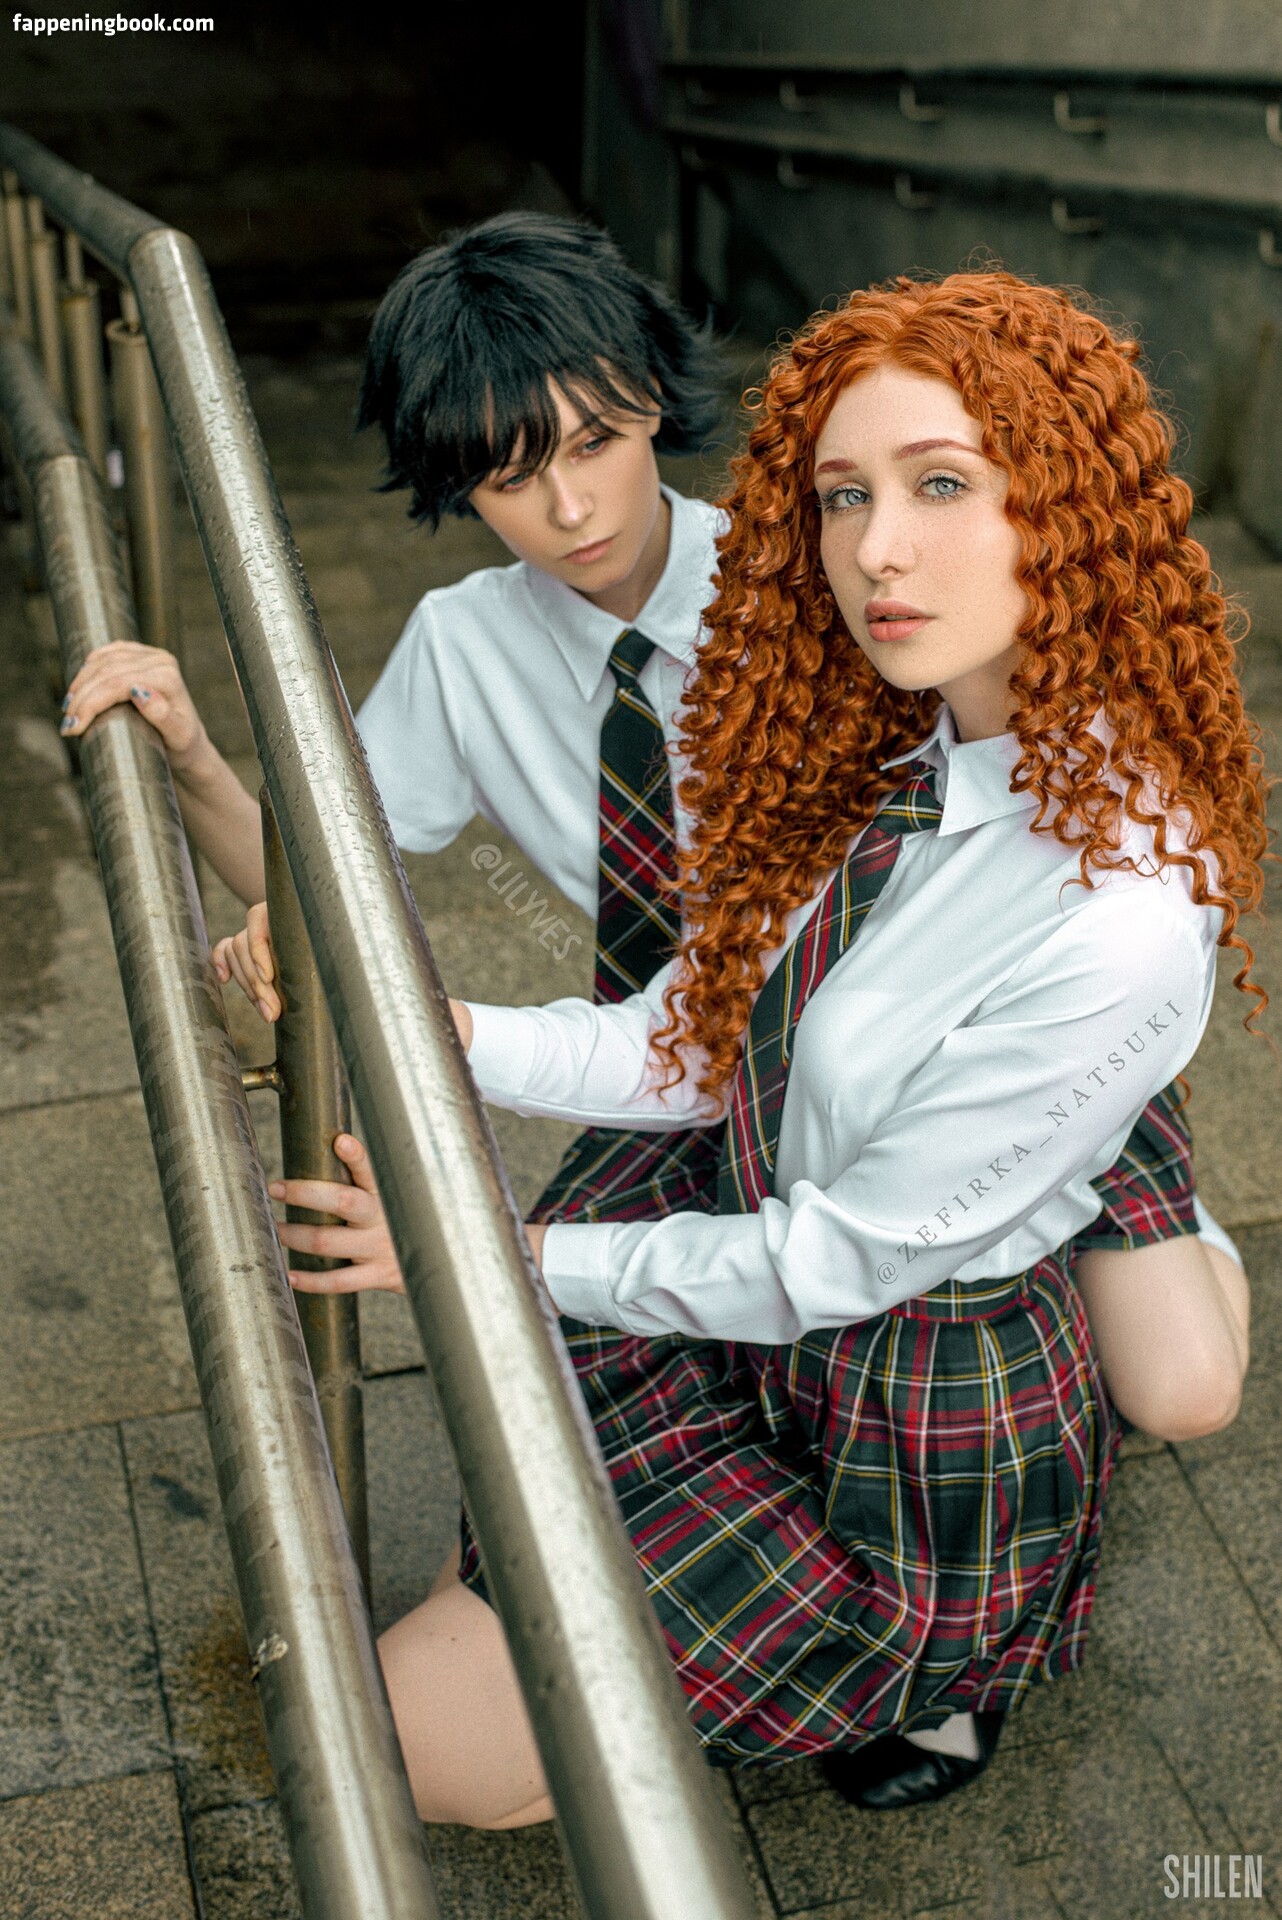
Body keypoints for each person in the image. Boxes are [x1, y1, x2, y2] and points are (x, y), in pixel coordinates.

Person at [223, 273, 1266, 1825]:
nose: (876, 548)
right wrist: (443, 1039)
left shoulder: (1113, 909)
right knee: (457, 1619)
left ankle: (945, 1646)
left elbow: (836, 1261)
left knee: (404, 1745)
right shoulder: (891, 736)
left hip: (900, 1419)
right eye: (845, 495)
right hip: (774, 1258)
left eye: (939, 485)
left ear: (1065, 503)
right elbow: (696, 1041)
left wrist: (486, 1255)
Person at [69, 212, 1248, 1450]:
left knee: (1180, 1392)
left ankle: (1082, 1210)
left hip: (959, 1013)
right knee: (564, 1399)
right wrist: (191, 757)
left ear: (650, 400)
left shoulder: (829, 589)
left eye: (594, 440)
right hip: (706, 1032)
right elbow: (326, 882)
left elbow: (1025, 797)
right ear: (457, 483)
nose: (570, 505)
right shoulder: (462, 648)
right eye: (510, 474)